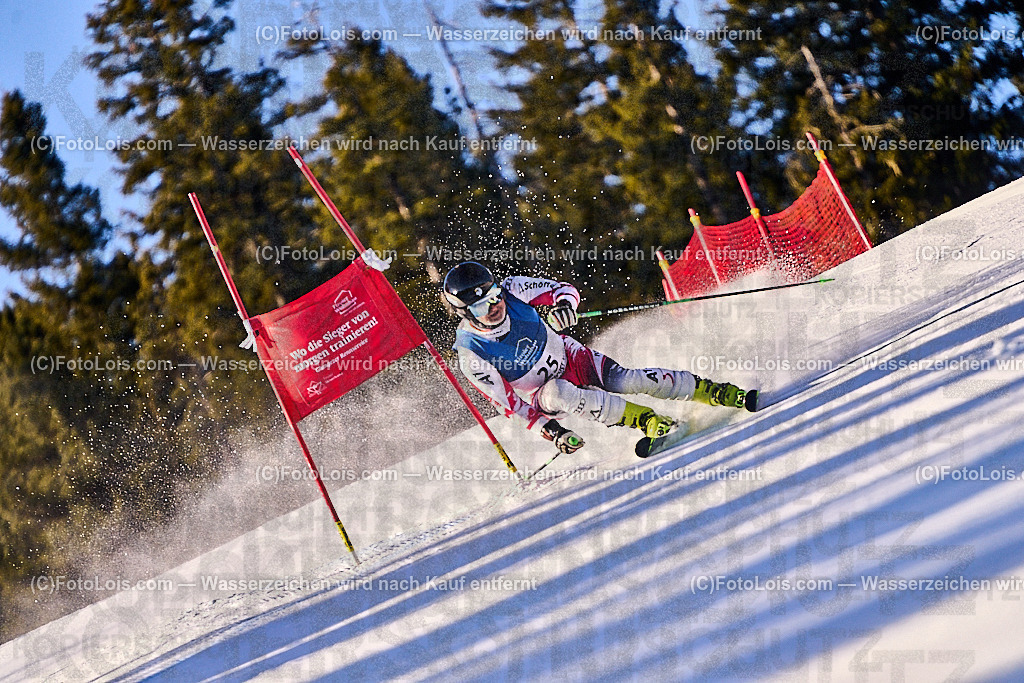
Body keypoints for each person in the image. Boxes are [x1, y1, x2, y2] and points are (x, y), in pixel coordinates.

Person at [442, 261, 757, 457]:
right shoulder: (472, 354)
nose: (495, 307)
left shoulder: (513, 290)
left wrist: (565, 306)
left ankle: (714, 391)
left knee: (628, 379)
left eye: (494, 297)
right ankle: (648, 422)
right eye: (483, 307)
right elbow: (511, 404)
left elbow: (563, 290)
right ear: (465, 313)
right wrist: (553, 433)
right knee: (559, 392)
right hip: (544, 395)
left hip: (570, 355)